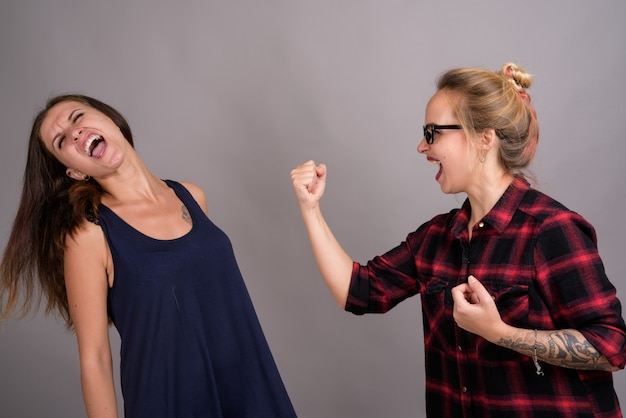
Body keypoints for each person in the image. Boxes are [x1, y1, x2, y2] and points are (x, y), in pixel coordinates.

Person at [290, 63, 626, 417]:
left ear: (484, 137)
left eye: (432, 132)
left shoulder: (550, 229)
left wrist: (499, 332)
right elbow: (358, 291)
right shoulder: (436, 238)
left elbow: (612, 347)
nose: (421, 146)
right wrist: (310, 208)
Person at [0, 94, 297, 418]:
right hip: (169, 402)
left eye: (77, 117)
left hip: (248, 388)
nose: (74, 132)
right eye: (61, 141)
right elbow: (95, 358)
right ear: (73, 172)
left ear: (109, 119)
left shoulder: (192, 197)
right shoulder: (89, 235)